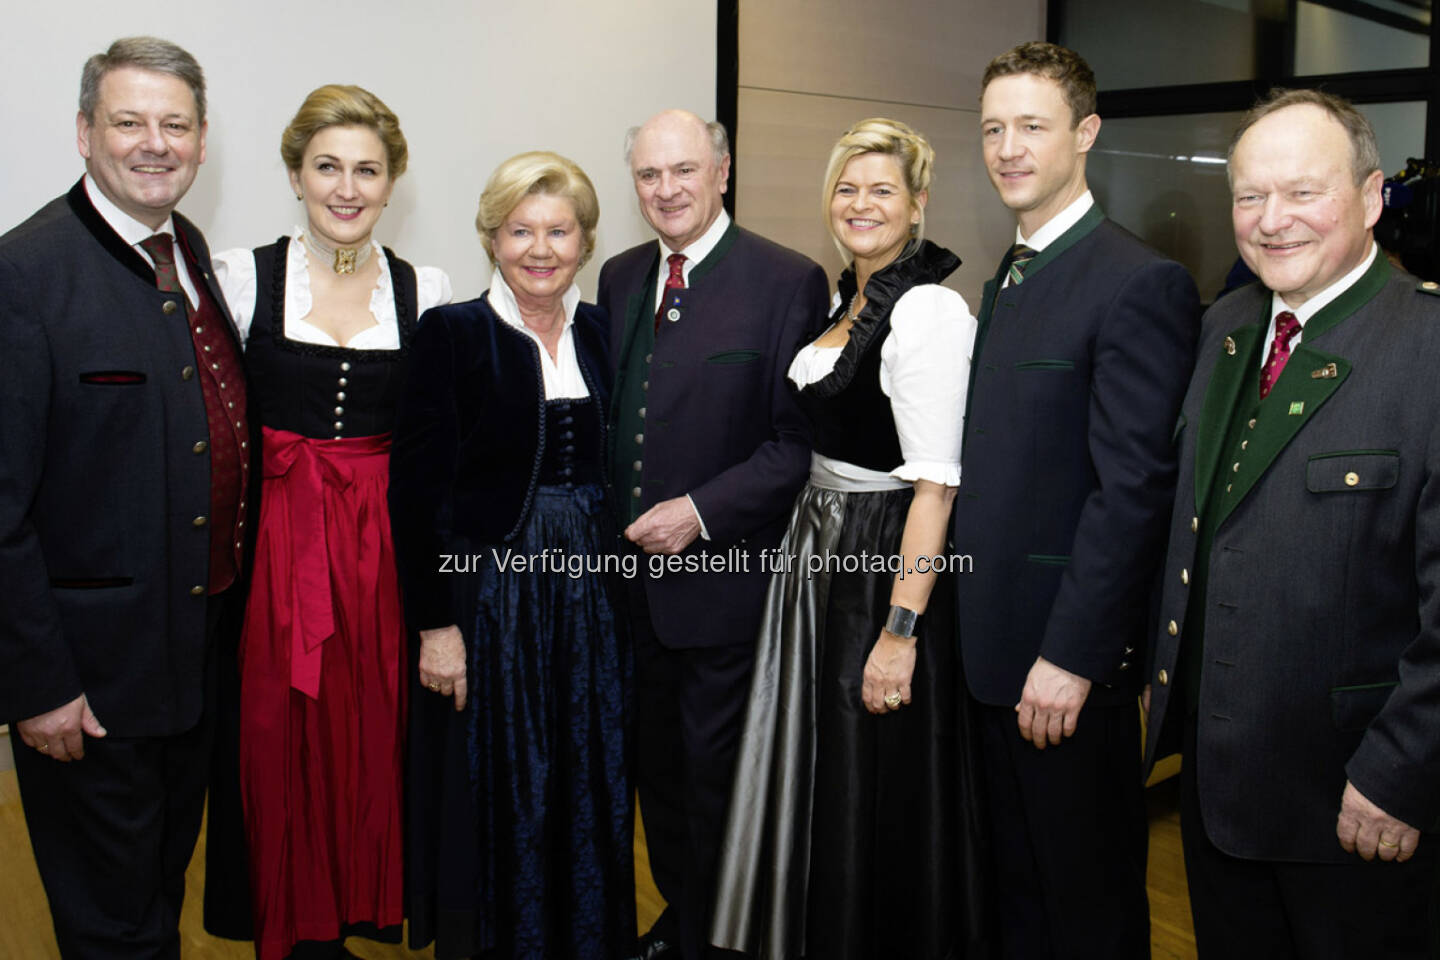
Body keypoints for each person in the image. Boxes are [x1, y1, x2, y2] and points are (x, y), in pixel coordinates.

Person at [1145, 88, 1440, 959]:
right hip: (1220, 791)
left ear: (1374, 196)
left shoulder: (1426, 349)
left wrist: (1398, 776)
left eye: (1304, 192)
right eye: (1249, 196)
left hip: (1355, 806)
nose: (1272, 221)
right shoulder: (1224, 327)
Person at [710, 118, 989, 959]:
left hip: (878, 558)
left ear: (918, 205)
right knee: (826, 766)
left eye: (881, 190)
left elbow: (936, 487)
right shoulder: (851, 297)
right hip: (818, 552)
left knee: (873, 771)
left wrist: (899, 633)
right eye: (846, 187)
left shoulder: (929, 308)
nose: (859, 204)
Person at [0, 36, 254, 958]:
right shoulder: (23, 276)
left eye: (176, 124)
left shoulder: (184, 250)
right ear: (83, 133)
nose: (156, 143)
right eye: (130, 122)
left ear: (200, 139)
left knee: (155, 897)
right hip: (87, 689)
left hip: (189, 667)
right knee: (111, 928)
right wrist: (39, 688)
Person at [951, 41, 1201, 959]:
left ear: (1086, 133)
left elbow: (1133, 490)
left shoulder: (1138, 281)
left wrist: (1074, 656)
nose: (1008, 148)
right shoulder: (1008, 276)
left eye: (1032, 127)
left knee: (1086, 911)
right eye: (993, 129)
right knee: (1015, 901)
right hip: (989, 657)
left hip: (1065, 670)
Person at [210, 84, 452, 960]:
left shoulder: (426, 289)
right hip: (281, 544)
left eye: (368, 171)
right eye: (327, 168)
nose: (347, 189)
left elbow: (437, 447)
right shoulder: (243, 277)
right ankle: (295, 922)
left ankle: (359, 907)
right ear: (294, 174)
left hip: (383, 548)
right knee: (282, 740)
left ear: (392, 185)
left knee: (374, 732)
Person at [389, 150, 633, 960]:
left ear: (586, 241)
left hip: (593, 594)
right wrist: (435, 627)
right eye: (519, 230)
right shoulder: (452, 333)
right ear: (492, 238)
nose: (540, 248)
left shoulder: (606, 330)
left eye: (558, 230)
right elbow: (415, 493)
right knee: (503, 774)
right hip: (489, 595)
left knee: (587, 766)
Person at [599, 109, 829, 960]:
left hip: (729, 595)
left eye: (684, 171)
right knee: (656, 778)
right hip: (633, 598)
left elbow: (795, 445)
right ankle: (687, 916)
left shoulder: (787, 280)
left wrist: (699, 513)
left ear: (722, 171)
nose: (667, 190)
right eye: (649, 176)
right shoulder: (621, 277)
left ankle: (722, 938)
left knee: (716, 783)